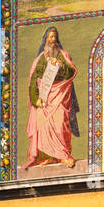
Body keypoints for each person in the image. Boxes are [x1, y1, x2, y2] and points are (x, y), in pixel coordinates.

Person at [23, 26, 79, 169]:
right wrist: (36, 98)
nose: (52, 40)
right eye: (50, 37)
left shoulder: (63, 55)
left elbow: (71, 72)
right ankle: (49, 157)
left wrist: (60, 66)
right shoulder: (40, 59)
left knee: (60, 124)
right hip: (44, 100)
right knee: (43, 128)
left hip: (59, 97)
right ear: (45, 39)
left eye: (54, 37)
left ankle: (63, 156)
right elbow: (33, 80)